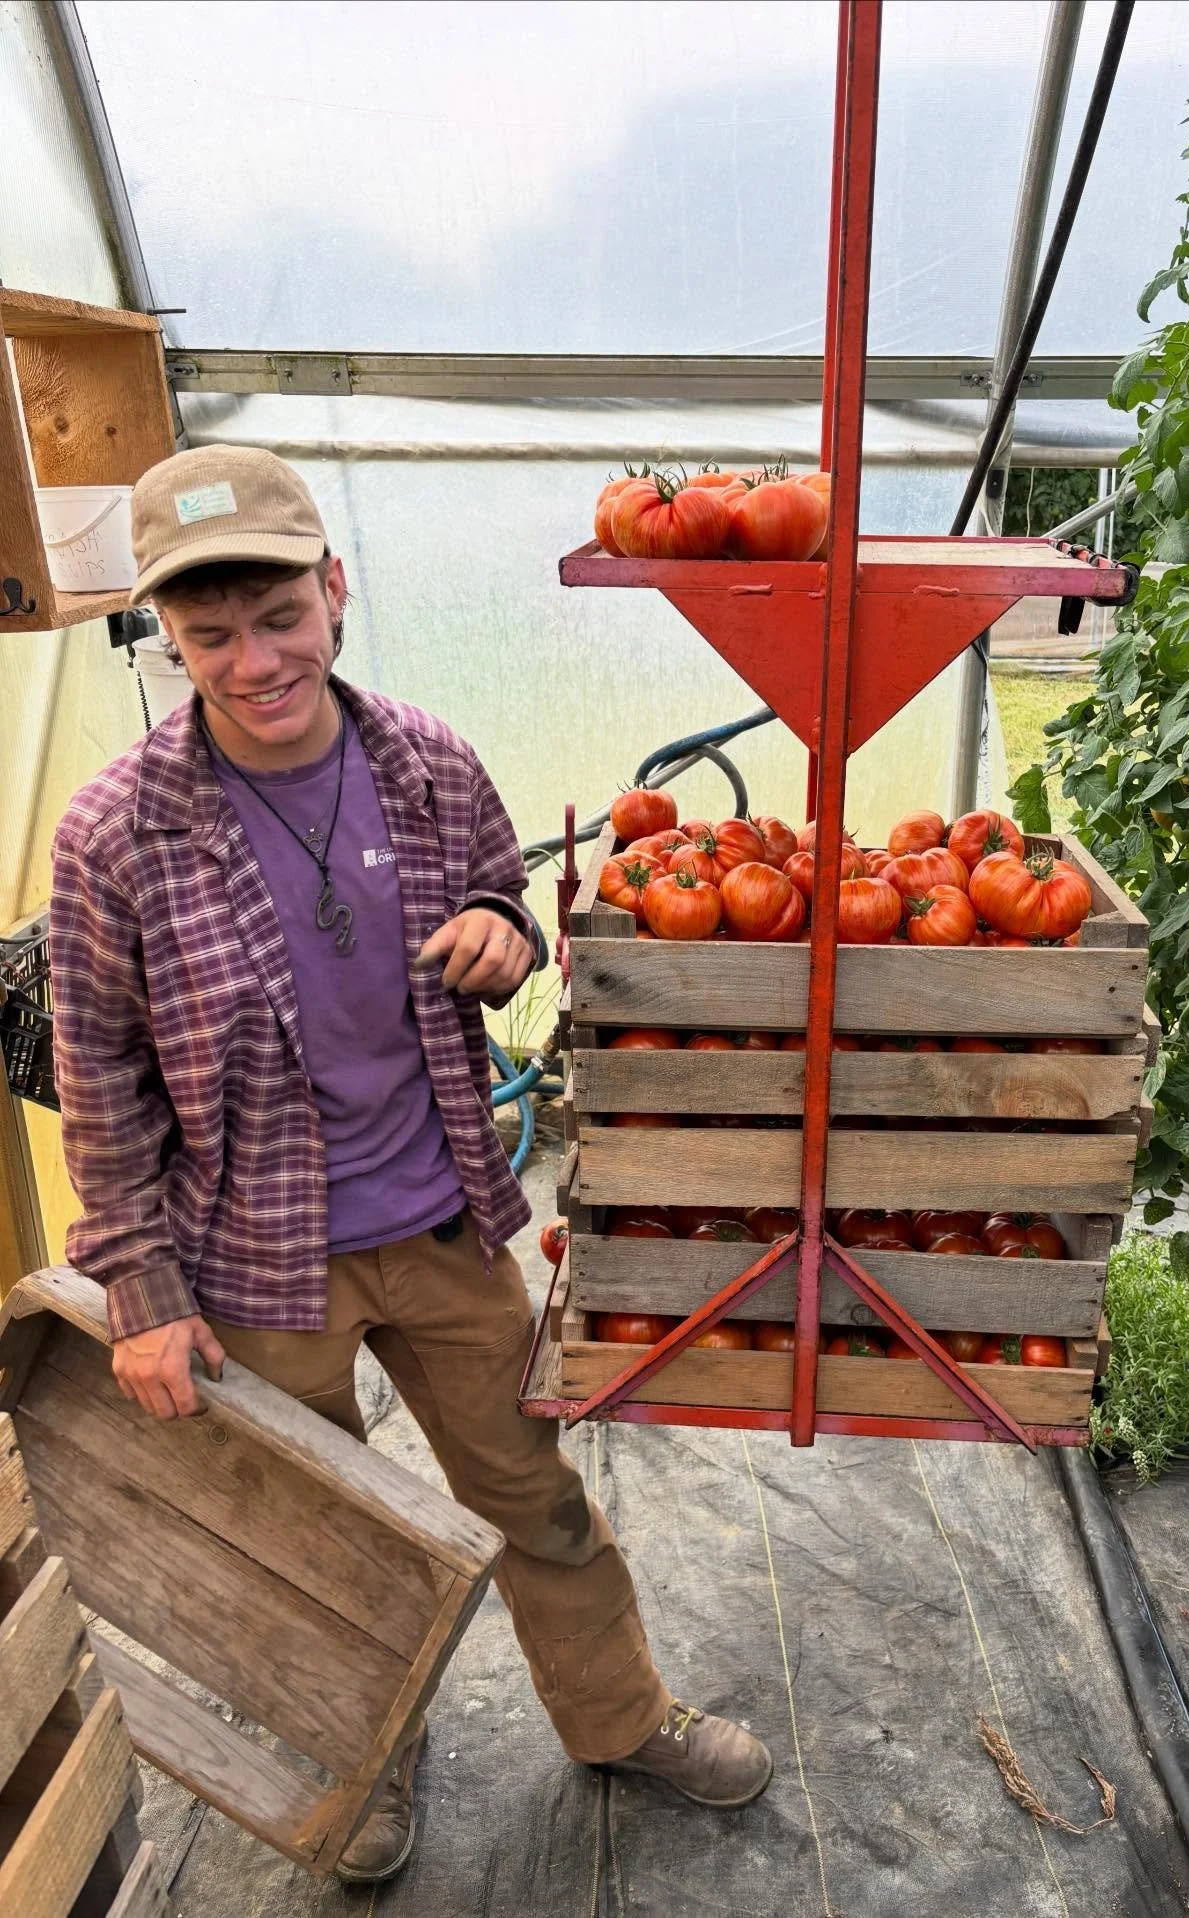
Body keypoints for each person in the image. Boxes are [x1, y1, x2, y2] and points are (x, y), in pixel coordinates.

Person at [47, 445, 772, 1884]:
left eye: (276, 617)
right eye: (209, 634)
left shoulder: (431, 763)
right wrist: (139, 1285)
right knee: (323, 1543)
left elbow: (499, 893)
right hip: (253, 1258)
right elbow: (100, 1077)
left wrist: (507, 925)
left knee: (535, 1497)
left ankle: (619, 1717)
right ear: (169, 639)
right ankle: (365, 1758)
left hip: (439, 1221)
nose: (253, 661)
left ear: (334, 590)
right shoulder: (112, 833)